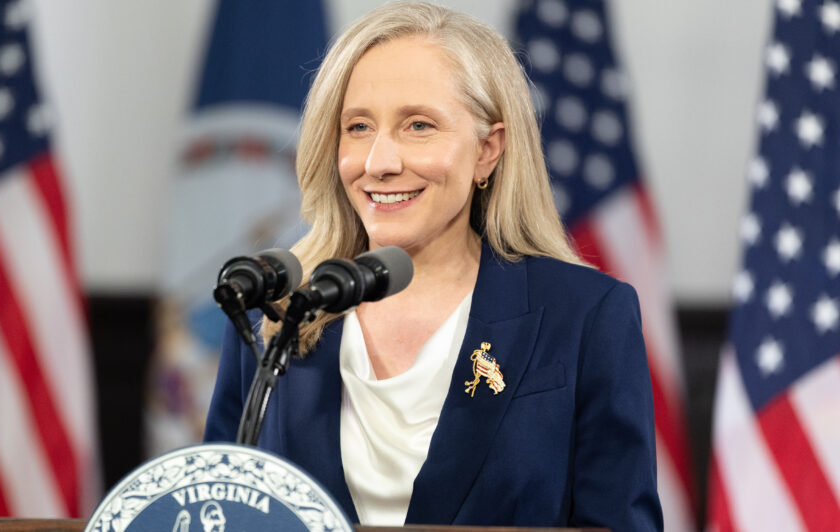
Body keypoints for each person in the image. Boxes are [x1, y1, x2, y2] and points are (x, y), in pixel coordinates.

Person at [204, 3, 663, 530]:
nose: (380, 162)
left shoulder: (583, 316)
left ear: (488, 150)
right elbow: (217, 509)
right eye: (358, 127)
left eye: (418, 125)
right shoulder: (277, 310)